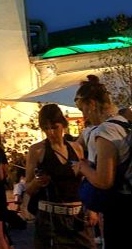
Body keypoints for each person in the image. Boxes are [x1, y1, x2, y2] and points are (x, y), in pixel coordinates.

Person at [72, 75, 132, 248]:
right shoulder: (124, 124)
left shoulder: (106, 131)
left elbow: (104, 180)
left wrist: (82, 167)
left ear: (92, 104)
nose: (84, 116)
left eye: (83, 109)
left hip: (123, 212)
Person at [24, 104, 93, 249]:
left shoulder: (76, 148)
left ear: (63, 125)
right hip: (50, 217)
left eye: (54, 127)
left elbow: (84, 181)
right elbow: (28, 188)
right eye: (46, 128)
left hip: (77, 215)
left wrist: (91, 209)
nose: (50, 132)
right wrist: (37, 182)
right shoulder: (37, 150)